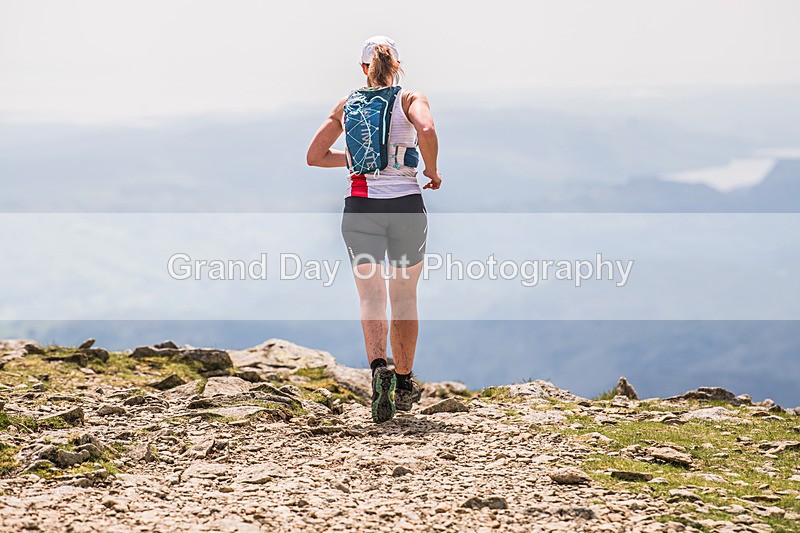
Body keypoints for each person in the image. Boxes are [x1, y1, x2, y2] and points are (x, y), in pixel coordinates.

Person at [306, 35, 442, 423]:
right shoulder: (410, 99)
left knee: (370, 295)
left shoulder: (348, 103)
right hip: (405, 208)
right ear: (396, 65)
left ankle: (378, 367)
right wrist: (430, 171)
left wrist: (353, 159)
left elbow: (314, 156)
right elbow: (428, 132)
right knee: (403, 297)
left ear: (363, 68)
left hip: (360, 208)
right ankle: (403, 381)